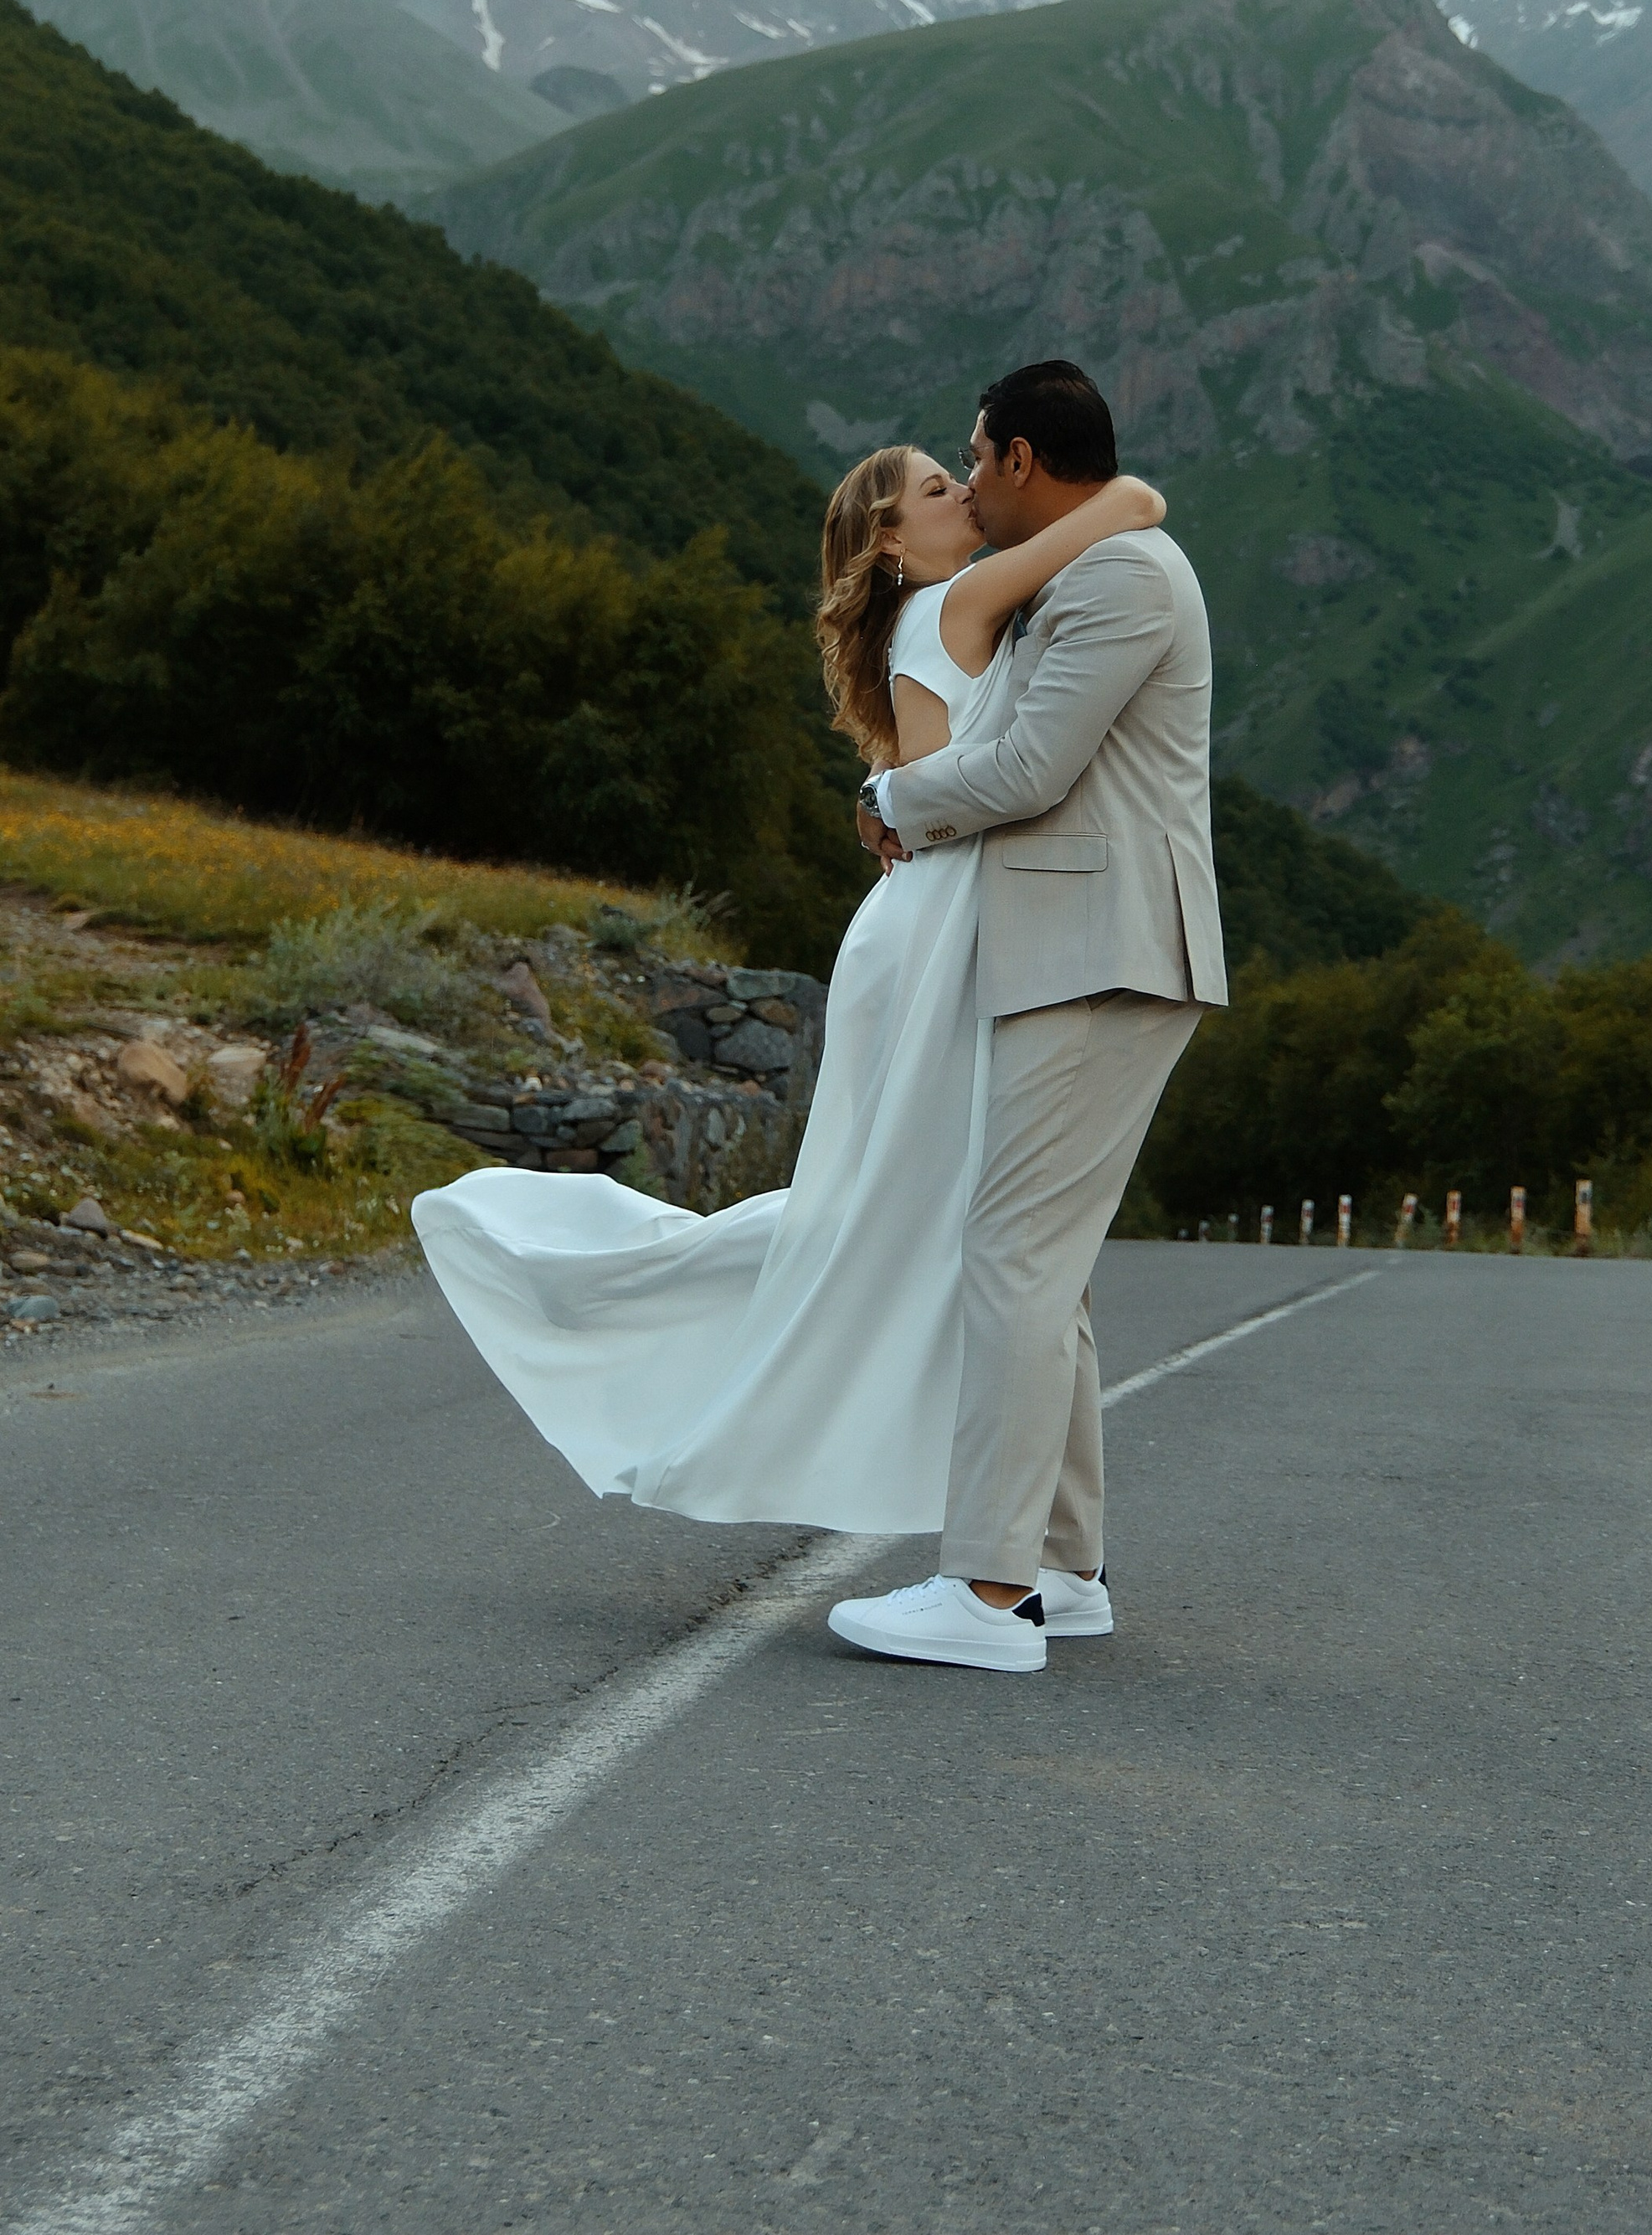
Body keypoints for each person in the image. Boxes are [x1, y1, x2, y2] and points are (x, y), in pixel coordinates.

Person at [409, 394, 1178, 1588]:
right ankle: (1024, 1564)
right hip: (940, 930)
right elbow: (1128, 509)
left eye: (962, 472)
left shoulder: (942, 609)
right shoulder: (956, 601)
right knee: (938, 1222)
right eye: (937, 488)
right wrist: (1125, 501)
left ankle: (1042, 1558)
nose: (964, 493)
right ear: (888, 542)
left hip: (929, 919)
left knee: (932, 1219)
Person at [827, 357, 1226, 1675]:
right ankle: (1065, 1567)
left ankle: (989, 1592)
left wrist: (893, 803)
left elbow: (1033, 765)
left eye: (970, 455)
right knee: (1046, 1265)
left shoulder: (1119, 577)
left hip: (1103, 950)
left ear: (1012, 460)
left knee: (1010, 1257)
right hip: (1076, 947)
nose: (966, 478)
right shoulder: (1094, 562)